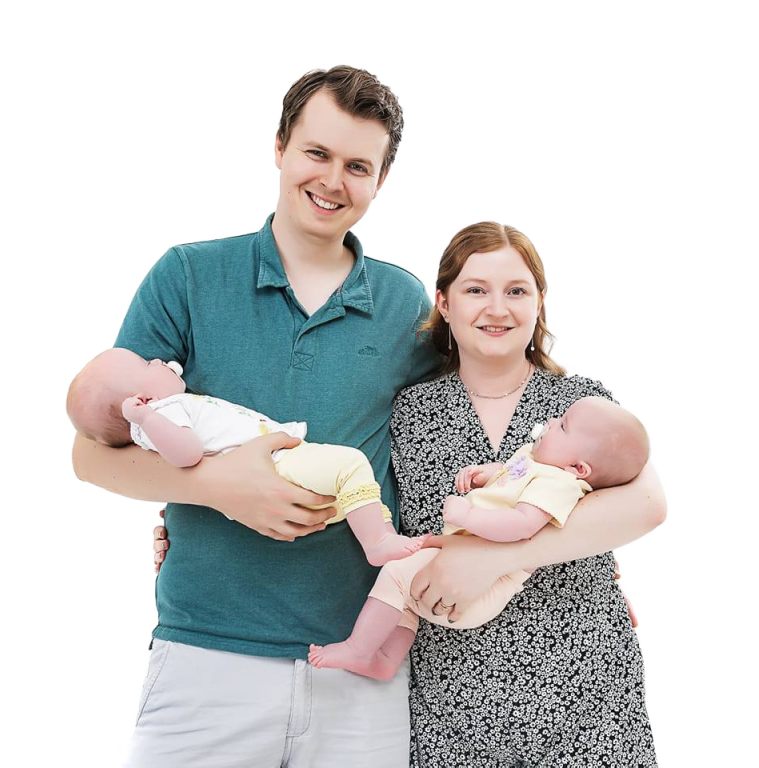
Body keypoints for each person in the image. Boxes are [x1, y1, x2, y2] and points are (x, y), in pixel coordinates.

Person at [152, 218, 667, 765]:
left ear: (541, 301)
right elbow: (347, 484)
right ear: (442, 303)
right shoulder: (410, 408)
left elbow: (648, 504)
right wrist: (187, 516)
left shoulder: (586, 402)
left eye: (517, 291)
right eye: (475, 290)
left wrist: (494, 557)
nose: (498, 309)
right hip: (454, 689)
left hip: (583, 675)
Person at [70, 64, 445, 767]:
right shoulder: (186, 275)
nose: (333, 180)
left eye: (358, 166)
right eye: (317, 153)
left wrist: (584, 568)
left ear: (382, 180)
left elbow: (480, 426)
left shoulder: (405, 304)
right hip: (207, 654)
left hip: (360, 666)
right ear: (278, 147)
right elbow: (88, 455)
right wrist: (216, 486)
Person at [307, 395, 651, 680]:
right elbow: (513, 478)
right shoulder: (541, 463)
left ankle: (357, 648)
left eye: (562, 426)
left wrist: (469, 515)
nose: (550, 423)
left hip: (484, 587)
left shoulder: (558, 484)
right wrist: (491, 474)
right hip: (462, 570)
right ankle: (384, 660)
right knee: (407, 602)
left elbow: (522, 524)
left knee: (397, 574)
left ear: (579, 469)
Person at [66, 348, 428, 566]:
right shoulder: (164, 414)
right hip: (275, 468)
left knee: (344, 486)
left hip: (281, 465)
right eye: (148, 364)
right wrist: (146, 419)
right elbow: (186, 454)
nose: (159, 360)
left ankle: (376, 532)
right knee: (350, 464)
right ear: (142, 400)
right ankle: (377, 541)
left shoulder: (169, 409)